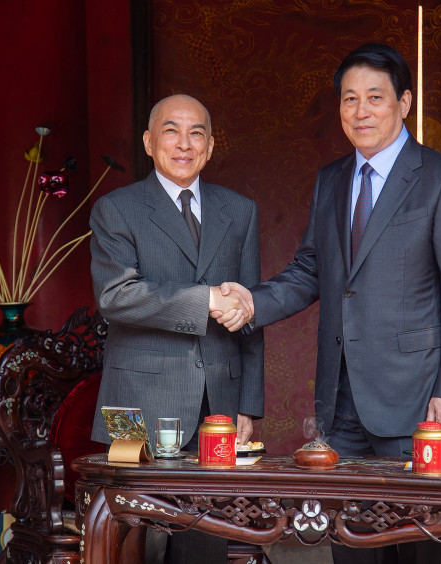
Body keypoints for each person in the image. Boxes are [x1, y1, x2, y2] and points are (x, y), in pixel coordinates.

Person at [217, 42, 441, 563]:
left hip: (418, 403)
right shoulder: (332, 179)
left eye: (375, 98)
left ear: (405, 102)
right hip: (340, 405)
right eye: (348, 99)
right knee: (351, 550)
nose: (360, 111)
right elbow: (311, 270)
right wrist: (251, 304)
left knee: (422, 550)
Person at [90, 94, 264, 564]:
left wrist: (248, 404)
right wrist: (206, 299)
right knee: (133, 545)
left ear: (210, 146)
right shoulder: (117, 209)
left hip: (219, 407)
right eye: (171, 131)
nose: (184, 144)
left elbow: (249, 313)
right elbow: (116, 296)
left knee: (203, 543)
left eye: (196, 133)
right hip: (141, 405)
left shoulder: (239, 210)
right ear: (149, 142)